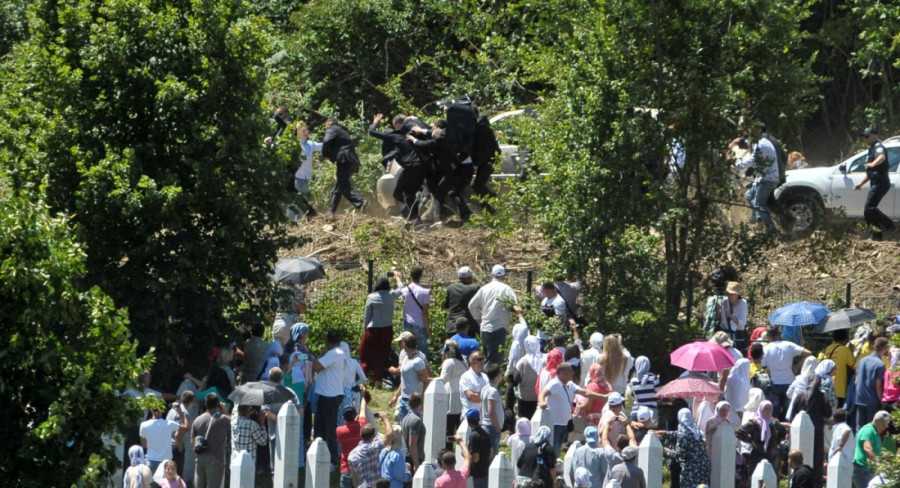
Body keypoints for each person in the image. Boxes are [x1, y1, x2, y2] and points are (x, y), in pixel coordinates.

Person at [538, 362, 609, 454]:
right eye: (570, 371)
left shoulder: (570, 384)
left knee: (558, 450)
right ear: (562, 373)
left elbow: (585, 392)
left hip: (564, 424)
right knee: (553, 450)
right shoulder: (554, 383)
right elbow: (542, 393)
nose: (573, 373)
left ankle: (555, 465)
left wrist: (603, 397)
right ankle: (552, 466)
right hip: (555, 424)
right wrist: (542, 402)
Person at [369, 113, 426, 219]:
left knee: (399, 193)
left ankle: (414, 216)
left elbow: (372, 132)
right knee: (410, 193)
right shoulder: (412, 134)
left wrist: (375, 122)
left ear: (398, 124)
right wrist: (415, 120)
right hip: (423, 166)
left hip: (411, 166)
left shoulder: (394, 135)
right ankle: (413, 216)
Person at [468, 264, 517, 368]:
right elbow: (515, 305)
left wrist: (479, 319)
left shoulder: (484, 289)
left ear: (492, 274)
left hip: (485, 327)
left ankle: (485, 379)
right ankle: (490, 382)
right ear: (503, 275)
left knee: (487, 358)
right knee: (495, 362)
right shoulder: (506, 289)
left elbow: (472, 305)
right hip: (499, 327)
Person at [853, 127, 897, 240]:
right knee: (868, 211)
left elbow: (881, 157)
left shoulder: (878, 147)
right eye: (864, 137)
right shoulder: (871, 149)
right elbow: (870, 172)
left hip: (881, 182)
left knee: (870, 207)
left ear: (875, 135)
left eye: (867, 136)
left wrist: (873, 163)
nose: (865, 139)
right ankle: (876, 235)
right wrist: (861, 184)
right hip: (875, 182)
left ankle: (889, 225)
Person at [360, 273, 404, 384]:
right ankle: (377, 382)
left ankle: (363, 379)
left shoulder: (371, 297)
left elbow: (367, 316)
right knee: (382, 355)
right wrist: (398, 278)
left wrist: (365, 328)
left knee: (366, 354)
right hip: (386, 329)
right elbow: (401, 289)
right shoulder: (391, 295)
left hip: (373, 329)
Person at [732, 129, 780, 231]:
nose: (746, 143)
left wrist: (736, 166)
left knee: (759, 204)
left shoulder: (760, 145)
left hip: (767, 178)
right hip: (763, 178)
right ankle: (759, 219)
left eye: (746, 140)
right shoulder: (763, 142)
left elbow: (751, 160)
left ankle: (771, 229)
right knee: (749, 195)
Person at [314, 329, 348, 467]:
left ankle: (333, 459)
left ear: (328, 342)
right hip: (332, 393)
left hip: (328, 394)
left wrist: (321, 354)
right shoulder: (341, 353)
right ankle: (327, 455)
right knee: (325, 427)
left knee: (327, 428)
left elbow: (315, 366)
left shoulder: (333, 354)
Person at [794, 368, 832, 488]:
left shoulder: (801, 395)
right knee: (816, 461)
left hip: (800, 433)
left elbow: (792, 415)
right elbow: (828, 413)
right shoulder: (823, 396)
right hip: (817, 433)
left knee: (800, 458)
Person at [762, 325, 810, 420]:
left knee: (775, 409)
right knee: (789, 409)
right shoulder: (788, 345)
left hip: (774, 382)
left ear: (768, 336)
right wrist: (797, 366)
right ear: (779, 334)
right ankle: (788, 430)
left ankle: (776, 429)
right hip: (790, 381)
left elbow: (763, 365)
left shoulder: (766, 349)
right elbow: (808, 353)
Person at [656, 408, 710, 488]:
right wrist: (665, 433)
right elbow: (680, 434)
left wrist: (666, 451)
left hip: (691, 469)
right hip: (703, 466)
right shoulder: (695, 429)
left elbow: (679, 454)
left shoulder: (684, 432)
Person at [322, 117, 366, 214]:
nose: (326, 130)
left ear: (329, 124)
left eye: (326, 127)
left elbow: (326, 141)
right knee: (339, 186)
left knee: (342, 186)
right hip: (351, 160)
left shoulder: (332, 129)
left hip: (344, 160)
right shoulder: (342, 131)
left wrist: (325, 155)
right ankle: (331, 211)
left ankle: (361, 202)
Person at [735, 400, 787, 481]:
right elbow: (738, 432)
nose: (768, 411)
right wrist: (751, 441)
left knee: (773, 479)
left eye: (770, 409)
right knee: (755, 478)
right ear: (761, 409)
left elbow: (783, 433)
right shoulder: (754, 423)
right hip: (757, 454)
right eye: (766, 409)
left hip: (773, 454)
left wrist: (777, 441)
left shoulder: (774, 422)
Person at [191, 393, 230, 488]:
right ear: (217, 404)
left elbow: (192, 441)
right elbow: (234, 423)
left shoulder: (197, 420)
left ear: (205, 404)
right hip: (215, 458)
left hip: (200, 458)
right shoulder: (222, 419)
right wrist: (224, 409)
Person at [389, 334, 430, 422]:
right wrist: (396, 396)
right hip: (404, 398)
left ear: (405, 344)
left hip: (413, 400)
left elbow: (426, 380)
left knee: (412, 426)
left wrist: (422, 399)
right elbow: (403, 380)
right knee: (404, 427)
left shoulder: (418, 361)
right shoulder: (406, 358)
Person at [348, 420, 395, 488]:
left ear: (360, 435)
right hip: (377, 485)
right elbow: (390, 434)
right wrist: (385, 418)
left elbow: (354, 476)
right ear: (374, 435)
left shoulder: (351, 455)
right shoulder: (376, 447)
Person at [140, 406, 188, 472]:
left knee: (150, 482)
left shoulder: (143, 425)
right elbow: (187, 428)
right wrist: (181, 413)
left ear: (151, 410)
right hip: (166, 462)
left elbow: (144, 445)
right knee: (165, 482)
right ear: (162, 410)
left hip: (151, 459)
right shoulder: (169, 423)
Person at [856, 337, 889, 428]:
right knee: (871, 428)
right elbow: (878, 385)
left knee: (861, 428)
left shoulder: (862, 360)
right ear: (885, 348)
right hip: (872, 400)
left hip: (860, 398)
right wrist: (881, 401)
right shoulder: (880, 364)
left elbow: (856, 380)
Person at [853, 410, 891, 488]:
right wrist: (879, 463)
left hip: (868, 470)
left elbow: (876, 451)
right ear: (876, 421)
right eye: (884, 424)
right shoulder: (868, 431)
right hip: (863, 470)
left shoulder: (875, 432)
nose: (885, 427)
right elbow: (867, 449)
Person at [292, 122, 323, 218]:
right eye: (303, 131)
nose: (306, 132)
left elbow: (322, 146)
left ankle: (298, 222)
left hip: (305, 178)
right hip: (296, 177)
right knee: (295, 201)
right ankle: (292, 221)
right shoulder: (294, 144)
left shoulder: (310, 144)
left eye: (306, 130)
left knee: (302, 200)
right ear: (297, 133)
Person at [818, 329, 856, 406]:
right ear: (846, 339)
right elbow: (853, 366)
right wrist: (852, 351)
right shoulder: (845, 350)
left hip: (825, 386)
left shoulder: (826, 349)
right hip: (839, 389)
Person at [400, 266, 431, 359]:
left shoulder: (405, 290)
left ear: (411, 276)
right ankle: (424, 371)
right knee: (423, 351)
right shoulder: (425, 292)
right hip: (420, 324)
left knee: (408, 350)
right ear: (421, 276)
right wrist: (428, 331)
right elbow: (425, 313)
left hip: (407, 323)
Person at [439, 340, 468, 439]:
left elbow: (443, 379)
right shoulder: (464, 360)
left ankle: (448, 446)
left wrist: (431, 381)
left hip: (451, 395)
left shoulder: (448, 362)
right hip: (461, 394)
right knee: (459, 422)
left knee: (449, 424)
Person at [443, 266, 480, 338]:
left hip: (452, 326)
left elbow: (446, 305)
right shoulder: (474, 288)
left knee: (452, 348)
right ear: (470, 277)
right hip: (468, 328)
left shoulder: (451, 288)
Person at [515, 335, 544, 419]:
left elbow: (516, 380)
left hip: (525, 398)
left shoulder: (522, 362)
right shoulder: (544, 359)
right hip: (539, 398)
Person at [337, 406, 365, 488]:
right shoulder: (362, 426)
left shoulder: (339, 430)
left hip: (346, 468)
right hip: (360, 467)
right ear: (356, 415)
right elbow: (362, 411)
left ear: (343, 418)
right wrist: (363, 397)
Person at [464, 408, 493, 488]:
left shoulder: (474, 436)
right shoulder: (485, 433)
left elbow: (476, 458)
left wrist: (466, 455)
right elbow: (491, 453)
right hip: (485, 470)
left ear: (468, 420)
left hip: (478, 473)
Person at [480, 364, 505, 454]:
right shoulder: (492, 391)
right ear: (497, 376)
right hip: (492, 428)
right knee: (493, 455)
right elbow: (491, 411)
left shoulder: (485, 388)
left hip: (486, 425)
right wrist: (497, 428)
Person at [628, 356, 660, 425]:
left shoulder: (633, 381)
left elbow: (632, 396)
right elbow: (659, 396)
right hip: (650, 413)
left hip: (636, 412)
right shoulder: (653, 378)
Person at [718, 281, 749, 351]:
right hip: (725, 336)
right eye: (728, 294)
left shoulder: (743, 303)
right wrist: (718, 311)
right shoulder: (724, 302)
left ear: (737, 295)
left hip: (736, 336)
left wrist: (730, 316)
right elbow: (722, 322)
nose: (730, 296)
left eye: (732, 294)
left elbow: (741, 324)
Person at [401, 392, 426, 473]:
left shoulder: (406, 417)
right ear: (421, 403)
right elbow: (412, 443)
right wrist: (416, 464)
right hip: (414, 458)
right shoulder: (415, 420)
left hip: (408, 456)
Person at [459, 350, 488, 414]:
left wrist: (478, 394)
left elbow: (490, 395)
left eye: (483, 360)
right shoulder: (465, 377)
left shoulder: (485, 377)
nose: (482, 362)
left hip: (483, 417)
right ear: (471, 362)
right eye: (479, 359)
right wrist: (485, 396)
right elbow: (471, 396)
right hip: (469, 417)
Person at [724, 358, 750, 425]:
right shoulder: (739, 381)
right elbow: (737, 402)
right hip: (736, 415)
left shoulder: (732, 377)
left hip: (731, 412)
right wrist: (742, 419)